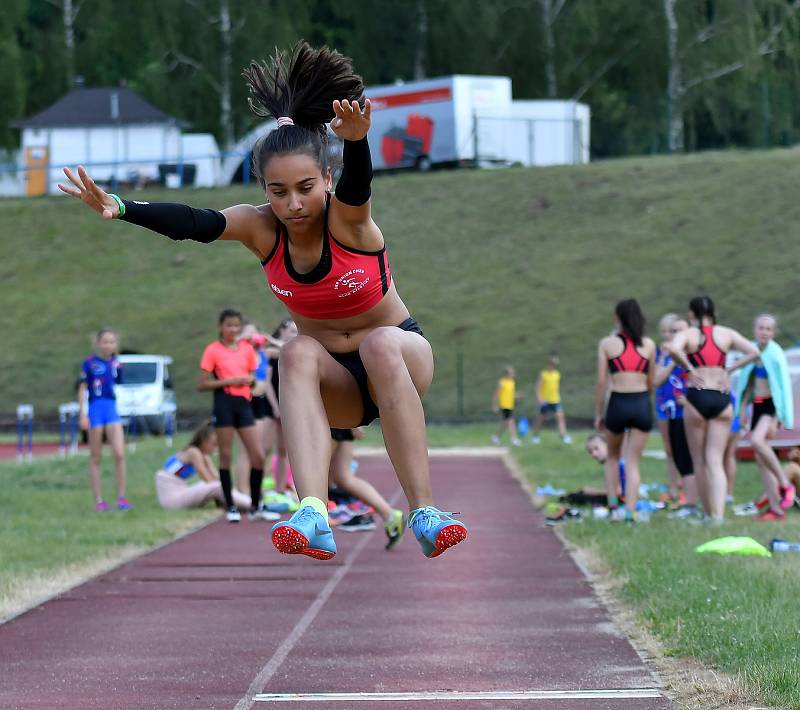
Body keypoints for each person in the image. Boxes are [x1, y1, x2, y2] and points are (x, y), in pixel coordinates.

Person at [59, 42, 467, 561]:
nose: (293, 204)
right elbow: (195, 222)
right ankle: (313, 512)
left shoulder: (348, 221)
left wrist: (359, 143)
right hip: (334, 381)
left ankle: (425, 512)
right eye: (278, 191)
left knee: (382, 344)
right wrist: (122, 206)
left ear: (327, 180)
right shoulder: (260, 228)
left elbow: (361, 187)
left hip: (400, 359)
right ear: (264, 190)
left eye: (305, 188)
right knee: (295, 350)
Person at [667, 296, 759, 522]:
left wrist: (689, 367)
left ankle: (707, 513)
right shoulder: (726, 333)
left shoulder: (688, 334)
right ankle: (718, 515)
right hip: (721, 397)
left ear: (691, 314)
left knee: (699, 460)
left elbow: (672, 349)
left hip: (697, 396)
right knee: (716, 461)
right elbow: (754, 352)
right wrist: (728, 369)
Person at [198, 309, 276, 523]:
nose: (232, 329)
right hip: (223, 403)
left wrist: (250, 381)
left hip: (244, 405)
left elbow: (253, 376)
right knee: (225, 455)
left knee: (258, 456)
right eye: (228, 325)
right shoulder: (213, 350)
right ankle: (230, 506)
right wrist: (229, 382)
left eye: (236, 326)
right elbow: (202, 383)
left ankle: (255, 505)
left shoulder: (246, 349)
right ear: (220, 327)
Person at [594, 299, 655, 522]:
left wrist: (598, 414)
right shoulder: (648, 345)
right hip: (640, 403)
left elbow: (602, 382)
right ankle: (630, 511)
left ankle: (612, 507)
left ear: (617, 318)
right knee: (633, 462)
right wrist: (643, 401)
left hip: (618, 403)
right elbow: (651, 381)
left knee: (612, 457)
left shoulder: (607, 344)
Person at [734, 313, 795, 521]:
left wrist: (778, 418)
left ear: (774, 332)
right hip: (757, 406)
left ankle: (786, 485)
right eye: (761, 328)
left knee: (757, 441)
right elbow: (747, 383)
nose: (764, 332)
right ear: (755, 329)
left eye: (769, 329)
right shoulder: (752, 350)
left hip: (771, 406)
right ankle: (776, 509)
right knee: (761, 459)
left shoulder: (775, 353)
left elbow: (782, 388)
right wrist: (742, 408)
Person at [78, 328, 131, 511]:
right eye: (105, 341)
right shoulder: (90, 363)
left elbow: (121, 388)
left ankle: (122, 497)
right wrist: (83, 413)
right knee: (96, 456)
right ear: (98, 343)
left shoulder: (117, 364)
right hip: (95, 409)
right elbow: (83, 388)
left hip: (111, 409)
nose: (108, 345)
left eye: (111, 342)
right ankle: (99, 500)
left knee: (119, 453)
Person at [654, 317, 700, 520]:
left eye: (679, 331)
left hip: (687, 413)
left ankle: (692, 504)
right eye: (672, 331)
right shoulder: (670, 357)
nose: (674, 335)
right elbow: (657, 380)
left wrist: (689, 401)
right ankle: (689, 501)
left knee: (689, 460)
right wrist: (671, 358)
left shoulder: (694, 356)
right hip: (672, 413)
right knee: (679, 458)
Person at [328, 428, 405, 548]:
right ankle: (390, 515)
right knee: (343, 477)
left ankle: (316, 529)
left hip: (331, 422)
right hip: (340, 422)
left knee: (316, 475)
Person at [156, 421, 252, 510]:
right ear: (203, 440)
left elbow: (216, 477)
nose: (215, 449)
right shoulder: (193, 452)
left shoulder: (202, 455)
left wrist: (225, 484)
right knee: (217, 486)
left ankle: (244, 501)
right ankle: (252, 504)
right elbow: (208, 480)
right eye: (214, 444)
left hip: (180, 490)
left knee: (219, 485)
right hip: (172, 498)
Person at [654, 314, 681, 503]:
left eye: (671, 331)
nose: (667, 335)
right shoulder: (658, 352)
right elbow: (654, 377)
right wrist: (663, 356)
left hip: (682, 405)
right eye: (663, 331)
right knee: (669, 449)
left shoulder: (684, 350)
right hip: (663, 404)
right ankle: (672, 489)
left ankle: (685, 485)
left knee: (684, 448)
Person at [531, 356, 572, 445]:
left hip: (555, 401)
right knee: (540, 419)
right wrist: (539, 399)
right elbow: (537, 387)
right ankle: (535, 436)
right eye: (551, 364)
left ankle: (563, 436)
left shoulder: (557, 374)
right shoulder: (543, 374)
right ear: (548, 364)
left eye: (554, 365)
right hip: (545, 401)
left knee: (560, 417)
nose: (552, 366)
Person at [585, 432, 626, 503]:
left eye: (596, 448)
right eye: (590, 452)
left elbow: (620, 492)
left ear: (608, 445)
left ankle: (613, 508)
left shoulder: (617, 465)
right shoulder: (610, 465)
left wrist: (595, 492)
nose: (594, 454)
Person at [491, 366, 521, 446]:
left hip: (510, 405)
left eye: (512, 374)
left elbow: (511, 394)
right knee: (511, 421)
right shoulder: (502, 383)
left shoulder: (512, 383)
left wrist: (517, 397)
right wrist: (494, 405)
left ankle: (495, 437)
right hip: (504, 405)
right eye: (511, 374)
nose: (512, 375)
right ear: (506, 374)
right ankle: (514, 439)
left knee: (505, 423)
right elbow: (496, 394)